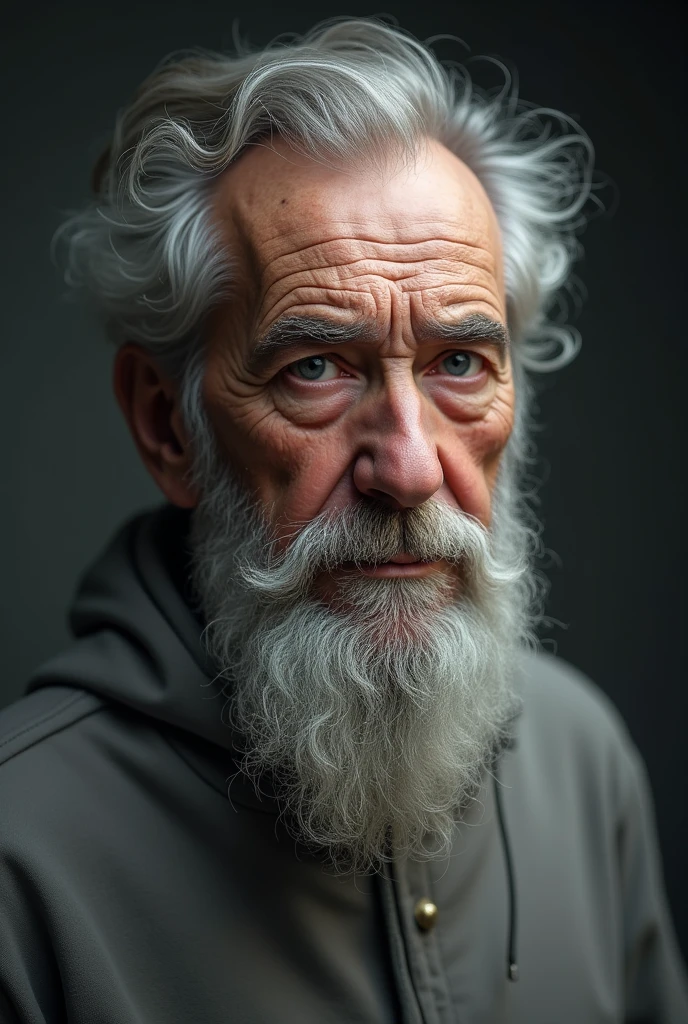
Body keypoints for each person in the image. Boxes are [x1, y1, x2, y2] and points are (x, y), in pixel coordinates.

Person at [1, 17, 686, 1024]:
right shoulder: (20, 860)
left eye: (460, 363)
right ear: (167, 425)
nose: (409, 468)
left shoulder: (582, 763)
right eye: (314, 368)